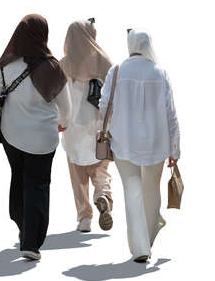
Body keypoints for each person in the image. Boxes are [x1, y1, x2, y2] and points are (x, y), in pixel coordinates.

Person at [0, 14, 71, 261]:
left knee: (19, 176)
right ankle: (31, 242)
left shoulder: (5, 64)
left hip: (12, 135)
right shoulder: (53, 67)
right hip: (44, 138)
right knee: (38, 183)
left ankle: (22, 225)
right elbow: (66, 108)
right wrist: (62, 124)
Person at [99, 29, 180, 262]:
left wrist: (111, 126)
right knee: (152, 191)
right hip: (156, 143)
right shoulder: (160, 73)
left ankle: (140, 246)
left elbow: (104, 105)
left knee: (132, 191)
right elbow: (171, 114)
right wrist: (175, 150)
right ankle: (149, 235)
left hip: (123, 142)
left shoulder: (116, 71)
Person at [60, 19, 113, 233]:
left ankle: (84, 218)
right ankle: (103, 195)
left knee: (77, 174)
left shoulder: (63, 64)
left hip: (72, 127)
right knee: (101, 170)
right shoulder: (104, 61)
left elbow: (56, 97)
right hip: (99, 127)